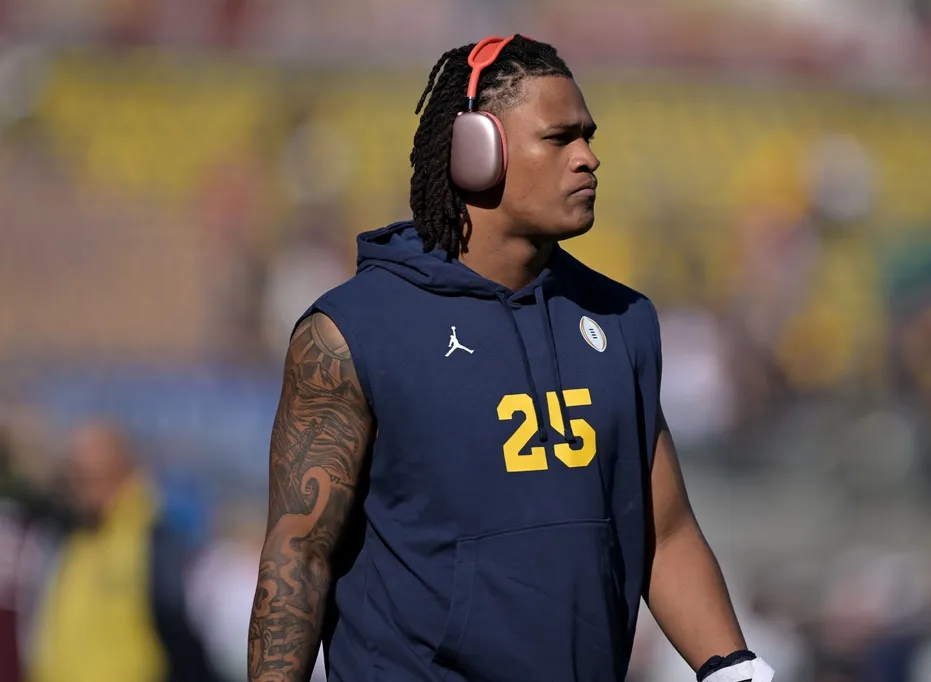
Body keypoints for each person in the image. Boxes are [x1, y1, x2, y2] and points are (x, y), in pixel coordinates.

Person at [247, 35, 774, 682]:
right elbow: (298, 556)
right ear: (477, 151)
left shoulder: (622, 320)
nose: (588, 158)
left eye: (587, 137)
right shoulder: (354, 331)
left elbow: (664, 532)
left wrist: (732, 668)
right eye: (560, 138)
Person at [27, 420, 221, 682]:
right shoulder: (72, 536)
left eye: (87, 477)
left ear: (120, 470)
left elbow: (185, 641)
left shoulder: (155, 541)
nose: (76, 488)